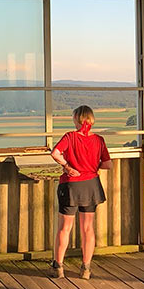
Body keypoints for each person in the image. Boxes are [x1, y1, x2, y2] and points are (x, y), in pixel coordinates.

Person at [51, 105, 111, 279]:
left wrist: (68, 167)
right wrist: (93, 167)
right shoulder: (99, 140)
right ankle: (85, 268)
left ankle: (58, 267)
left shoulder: (70, 137)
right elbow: (108, 164)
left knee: (64, 228)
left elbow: (55, 153)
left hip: (71, 186)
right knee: (87, 228)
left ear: (77, 119)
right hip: (91, 185)